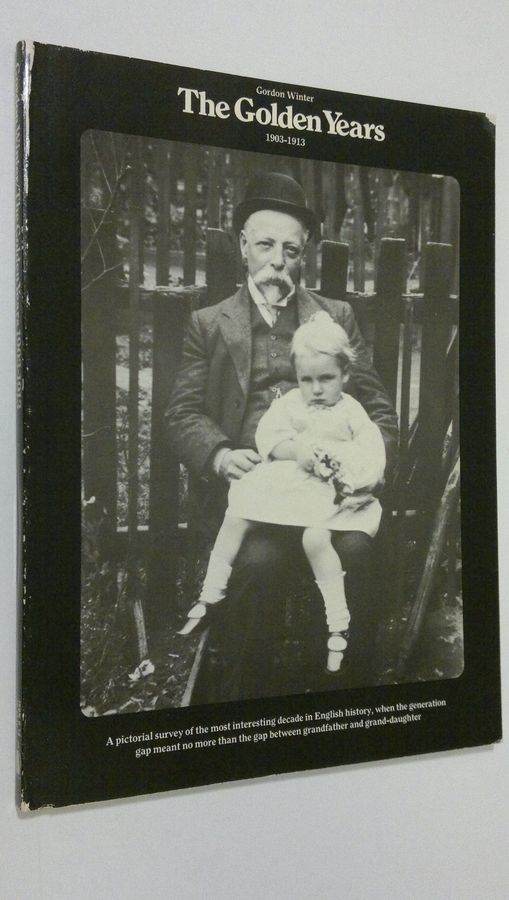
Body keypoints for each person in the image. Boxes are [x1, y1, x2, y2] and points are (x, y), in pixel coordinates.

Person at [166, 171, 398, 700]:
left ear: (304, 254)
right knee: (258, 564)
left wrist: (366, 476)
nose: (277, 260)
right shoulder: (210, 323)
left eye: (290, 250)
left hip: (333, 497)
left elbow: (380, 412)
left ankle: (349, 701)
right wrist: (220, 455)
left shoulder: (335, 317)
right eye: (266, 245)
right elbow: (182, 413)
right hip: (260, 497)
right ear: (243, 246)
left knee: (358, 554)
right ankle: (248, 703)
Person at [177, 312, 386, 675]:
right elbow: (269, 437)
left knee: (316, 539)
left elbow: (372, 453)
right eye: (306, 380)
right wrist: (297, 451)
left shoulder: (351, 412)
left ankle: (338, 627)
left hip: (328, 495)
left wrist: (350, 473)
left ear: (345, 375)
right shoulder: (290, 404)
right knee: (238, 514)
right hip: (291, 489)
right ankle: (211, 593)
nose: (316, 390)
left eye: (326, 379)